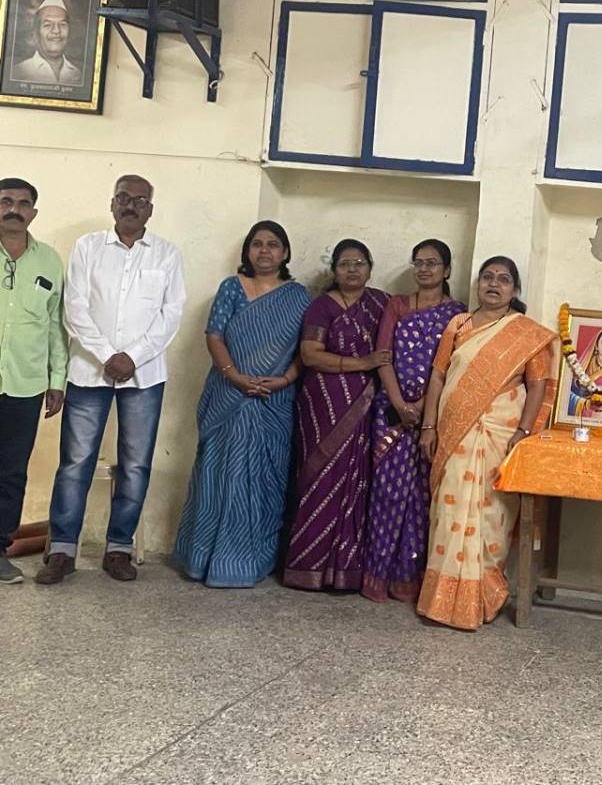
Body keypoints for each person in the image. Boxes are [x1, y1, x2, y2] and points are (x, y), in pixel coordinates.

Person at [37, 175, 185, 585]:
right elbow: (74, 308)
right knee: (75, 462)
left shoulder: (167, 255)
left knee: (135, 464)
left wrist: (132, 358)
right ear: (112, 203)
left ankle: (118, 548)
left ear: (150, 209)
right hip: (89, 371)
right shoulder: (87, 248)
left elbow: (170, 316)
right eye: (123, 197)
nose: (130, 205)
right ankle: (63, 551)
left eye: (139, 200)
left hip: (145, 375)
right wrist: (108, 356)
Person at [416, 256, 555, 631]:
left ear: (515, 289)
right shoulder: (458, 325)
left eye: (504, 279)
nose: (494, 284)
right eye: (488, 277)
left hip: (501, 434)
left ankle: (484, 596)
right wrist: (429, 426)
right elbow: (438, 376)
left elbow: (538, 386)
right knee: (449, 512)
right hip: (455, 431)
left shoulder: (525, 333)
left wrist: (522, 433)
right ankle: (441, 600)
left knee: (493, 516)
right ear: (478, 284)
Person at [172, 222, 310, 588]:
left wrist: (285, 379)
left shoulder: (298, 297)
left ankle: (253, 560)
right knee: (220, 477)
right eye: (257, 244)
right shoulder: (231, 288)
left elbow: (306, 348)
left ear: (285, 252)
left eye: (273, 244)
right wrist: (235, 377)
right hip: (229, 395)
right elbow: (214, 336)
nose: (264, 251)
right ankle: (205, 558)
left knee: (265, 480)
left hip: (274, 400)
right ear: (247, 251)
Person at [362, 239, 466, 603]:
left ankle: (408, 577)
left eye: (432, 263)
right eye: (419, 262)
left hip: (431, 414)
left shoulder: (457, 314)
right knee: (388, 493)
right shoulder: (397, 305)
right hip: (391, 411)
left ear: (447, 270)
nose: (424, 269)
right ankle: (377, 575)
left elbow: (451, 365)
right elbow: (384, 356)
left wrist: (423, 408)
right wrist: (398, 402)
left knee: (422, 496)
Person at [282, 239, 389, 591]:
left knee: (357, 480)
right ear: (334, 270)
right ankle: (308, 565)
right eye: (344, 264)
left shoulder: (381, 304)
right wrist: (362, 363)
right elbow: (310, 354)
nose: (352, 269)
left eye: (359, 263)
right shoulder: (321, 306)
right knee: (320, 477)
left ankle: (347, 570)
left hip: (366, 402)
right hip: (324, 402)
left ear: (370, 268)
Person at [0, 178, 67, 585]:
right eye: (6, 201)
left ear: (34, 213)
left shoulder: (50, 262)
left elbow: (57, 326)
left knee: (11, 472)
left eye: (23, 203)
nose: (14, 209)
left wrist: (57, 379)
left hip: (25, 384)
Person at [12, 0, 82, 86]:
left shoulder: (78, 75)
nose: (56, 31)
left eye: (62, 24)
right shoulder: (18, 72)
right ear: (36, 32)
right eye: (48, 25)